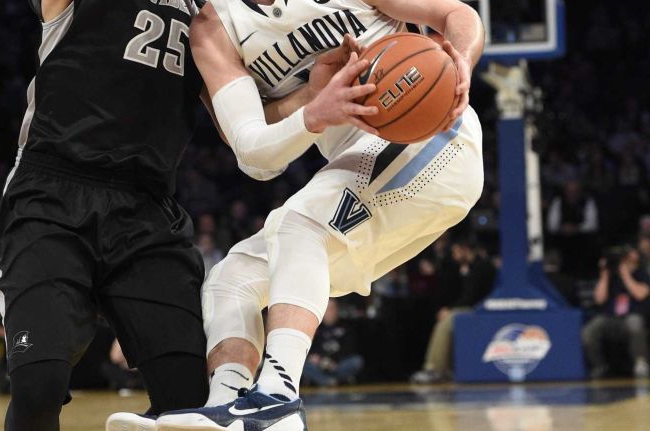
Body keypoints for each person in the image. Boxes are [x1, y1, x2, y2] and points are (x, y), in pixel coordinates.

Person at [110, 0, 484, 428]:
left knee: (298, 224)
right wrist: (313, 104)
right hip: (369, 174)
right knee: (232, 278)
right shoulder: (210, 31)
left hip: (437, 140)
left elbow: (459, 15)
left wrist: (461, 64)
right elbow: (253, 152)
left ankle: (278, 398)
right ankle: (227, 407)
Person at [0, 0, 213, 429]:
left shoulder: (210, 10)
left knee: (190, 401)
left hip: (147, 207)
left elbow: (240, 117)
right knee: (38, 387)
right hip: (52, 192)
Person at [410, 239, 495, 384]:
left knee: (446, 322)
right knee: (447, 317)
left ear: (464, 249)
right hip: (472, 307)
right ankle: (447, 368)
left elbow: (471, 297)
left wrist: (450, 310)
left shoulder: (481, 266)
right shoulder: (468, 267)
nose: (454, 255)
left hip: (481, 309)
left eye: (456, 251)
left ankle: (434, 368)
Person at [582, 246, 650, 379]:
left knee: (634, 323)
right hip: (611, 318)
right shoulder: (611, 276)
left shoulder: (641, 274)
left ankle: (641, 363)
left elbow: (640, 294)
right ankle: (599, 366)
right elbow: (599, 299)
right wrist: (604, 275)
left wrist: (626, 275)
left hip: (632, 316)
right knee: (590, 329)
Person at [302, 299, 364, 387]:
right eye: (327, 309)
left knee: (356, 361)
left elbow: (349, 348)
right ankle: (329, 381)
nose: (329, 312)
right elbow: (310, 349)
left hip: (338, 364)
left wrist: (334, 361)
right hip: (320, 365)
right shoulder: (316, 328)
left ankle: (330, 380)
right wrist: (320, 359)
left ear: (337, 310)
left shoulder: (346, 327)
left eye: (332, 308)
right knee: (304, 364)